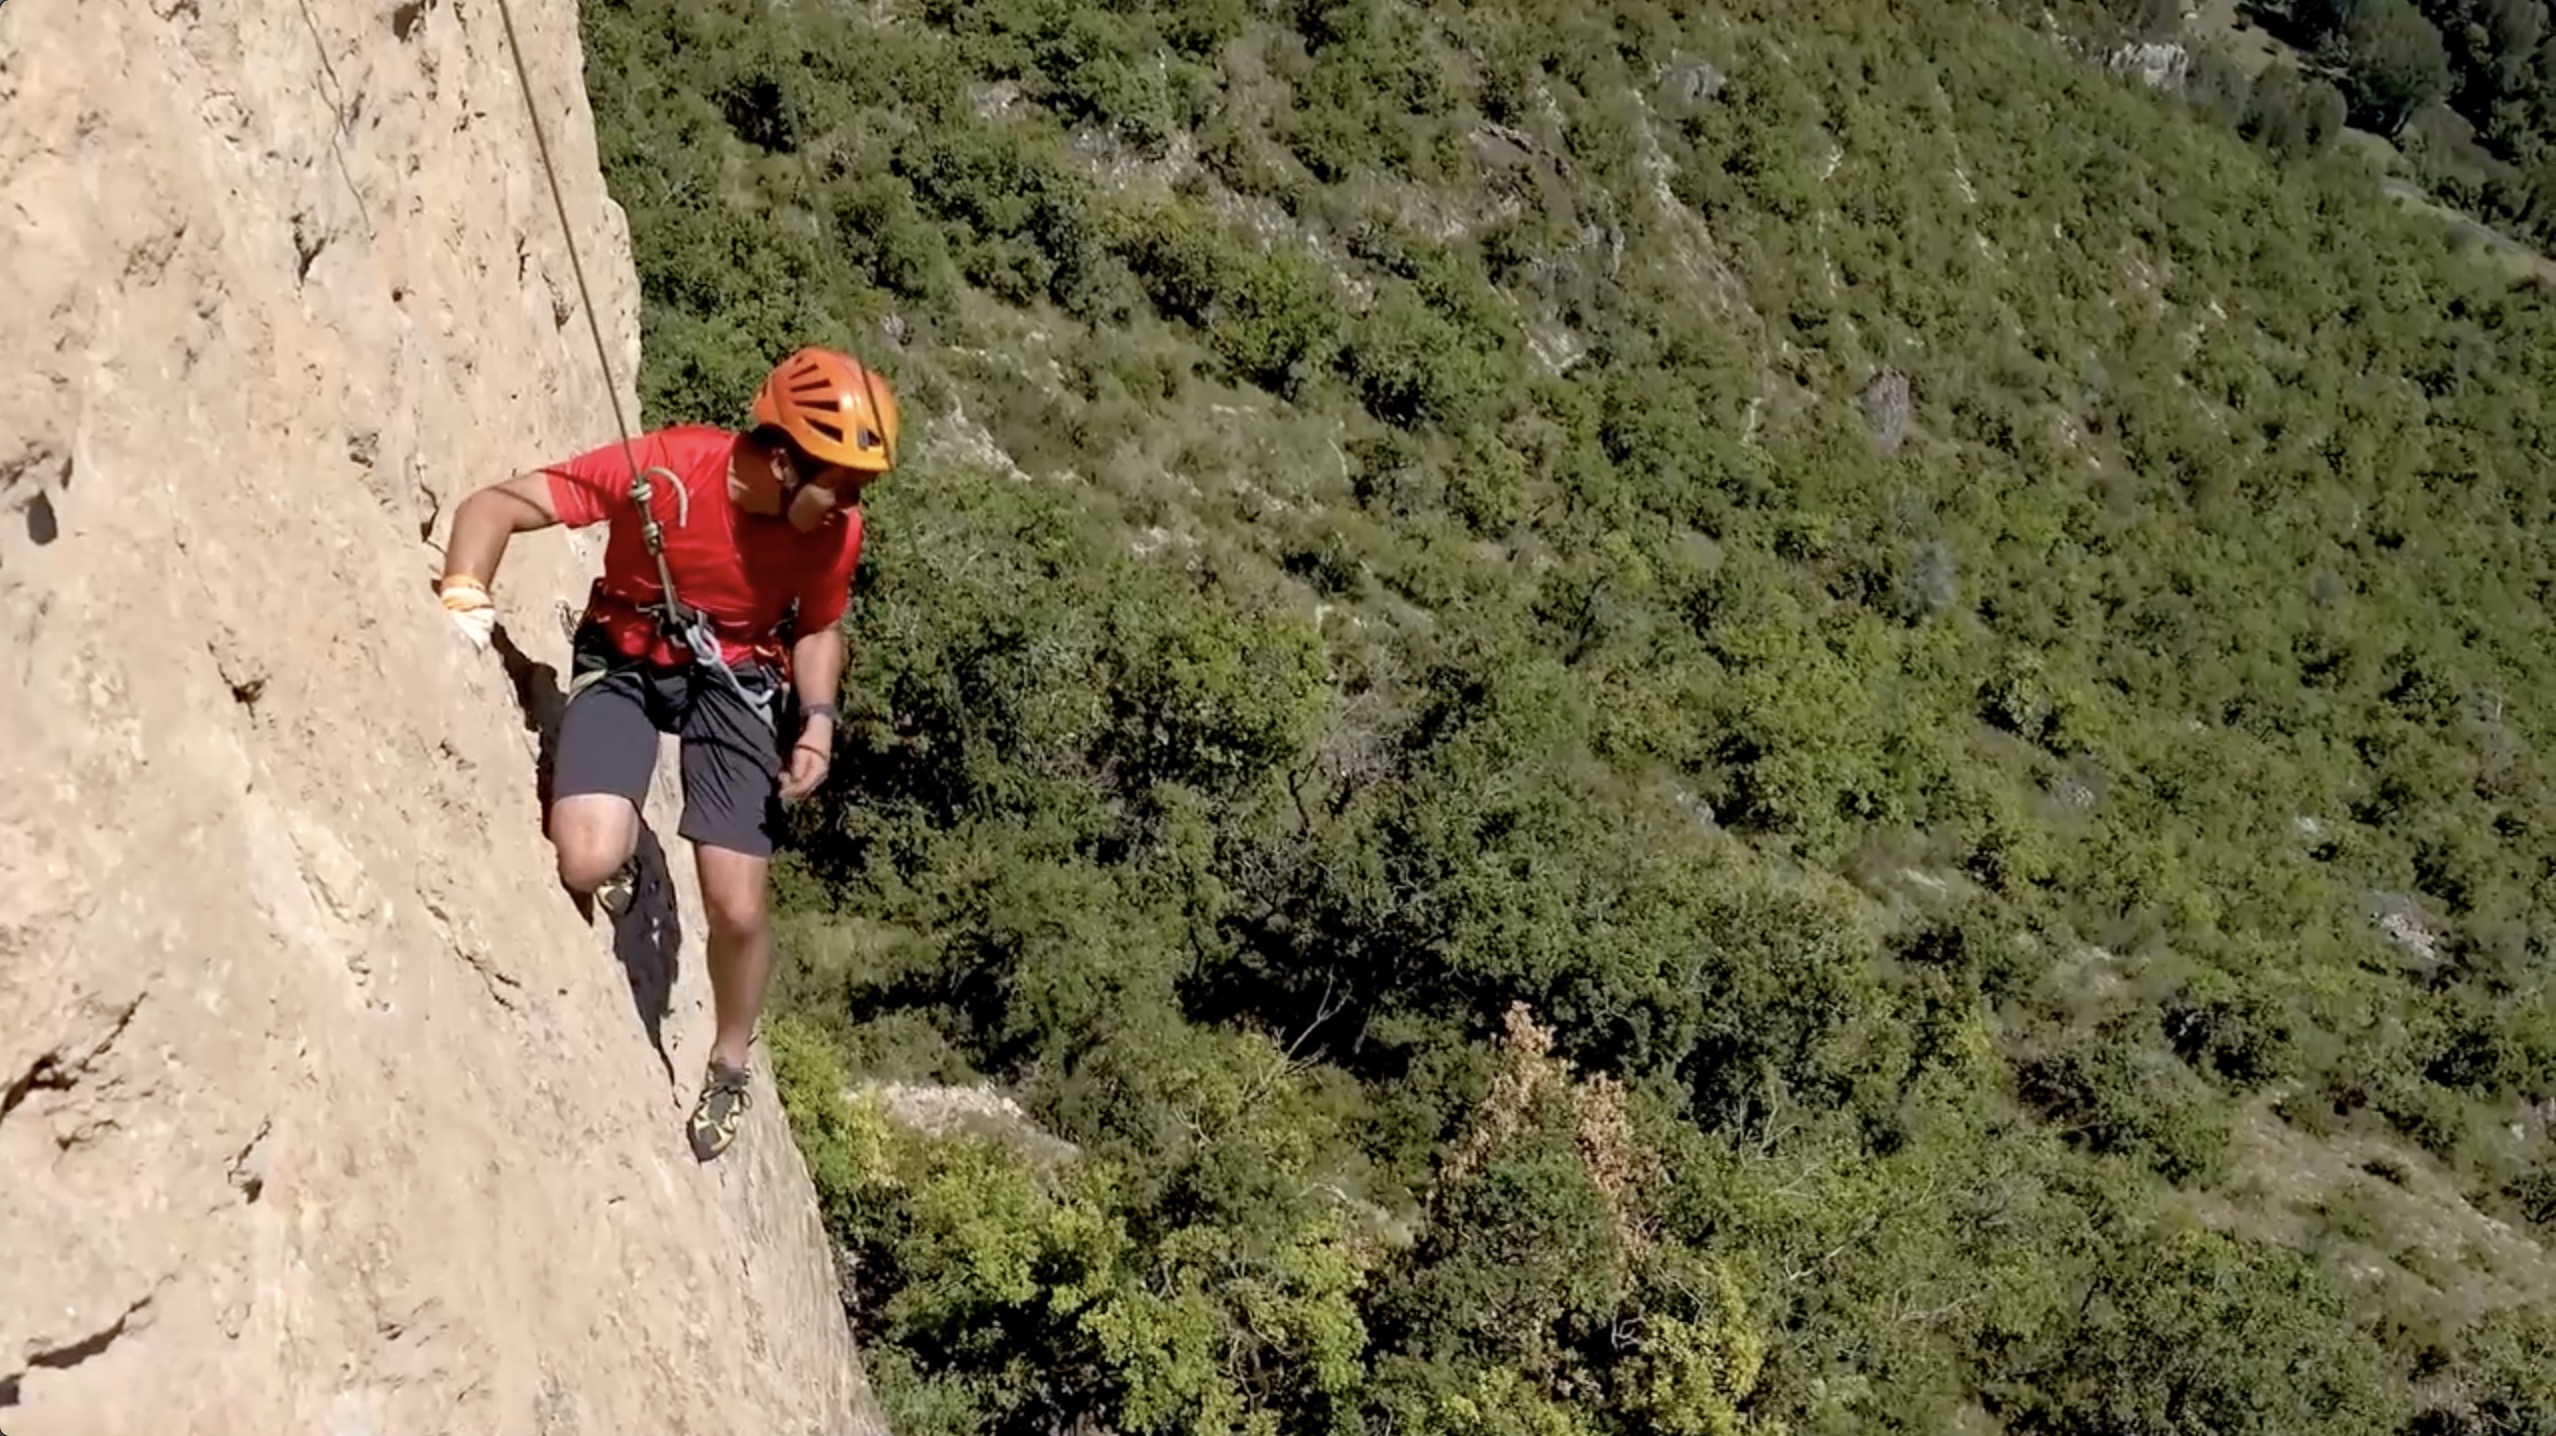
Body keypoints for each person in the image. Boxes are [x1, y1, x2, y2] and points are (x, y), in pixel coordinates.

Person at [435, 346, 898, 1162]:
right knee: (585, 860)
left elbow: (820, 625)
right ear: (786, 461)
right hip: (626, 654)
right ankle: (622, 844)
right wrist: (465, 590)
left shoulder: (833, 533)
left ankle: (729, 1059)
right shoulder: (669, 470)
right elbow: (497, 504)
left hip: (735, 680)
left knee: (738, 907)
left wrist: (818, 718)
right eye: (842, 484)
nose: (851, 507)